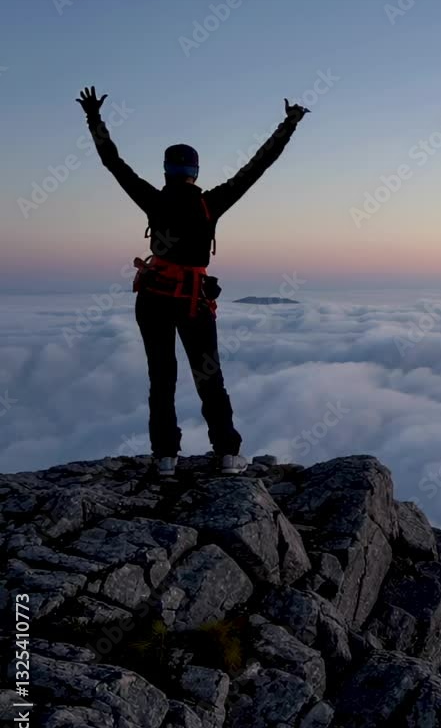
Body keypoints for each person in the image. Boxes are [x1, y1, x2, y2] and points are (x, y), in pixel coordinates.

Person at [76, 85, 309, 476]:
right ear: (195, 173)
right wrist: (289, 124)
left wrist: (94, 118)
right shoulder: (210, 203)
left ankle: (165, 457)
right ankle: (227, 454)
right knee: (209, 376)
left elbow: (112, 162)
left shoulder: (153, 199)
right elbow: (258, 165)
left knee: (161, 377)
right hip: (193, 302)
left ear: (166, 171)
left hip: (153, 297)